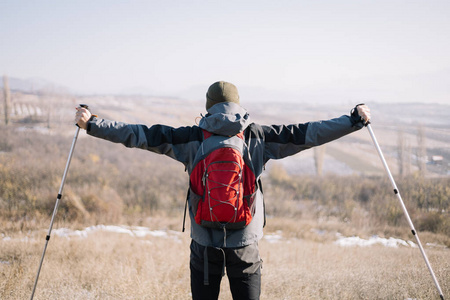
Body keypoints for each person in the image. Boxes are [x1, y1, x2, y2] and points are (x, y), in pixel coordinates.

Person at [75, 81, 371, 300]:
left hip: (204, 242)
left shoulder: (190, 137)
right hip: (245, 241)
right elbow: (310, 133)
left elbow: (137, 134)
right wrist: (353, 121)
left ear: (208, 107)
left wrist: (93, 124)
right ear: (238, 105)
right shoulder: (259, 137)